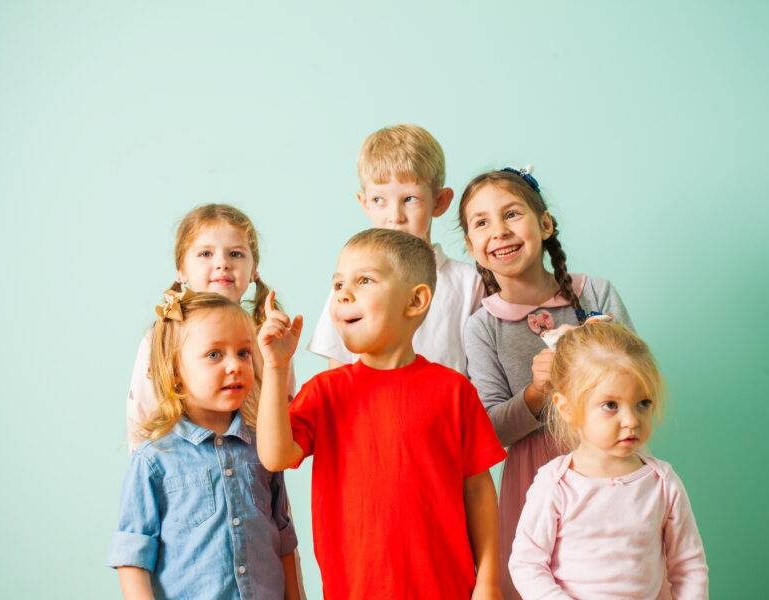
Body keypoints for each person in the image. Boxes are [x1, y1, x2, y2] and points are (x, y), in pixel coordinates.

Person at [257, 229, 506, 599]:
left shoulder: (454, 392)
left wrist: (488, 580)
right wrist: (276, 369)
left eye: (364, 280)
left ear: (415, 301)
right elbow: (275, 456)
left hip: (448, 589)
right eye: (338, 283)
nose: (343, 293)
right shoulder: (326, 392)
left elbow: (478, 490)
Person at [459, 166, 634, 599]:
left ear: (545, 224)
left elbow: (639, 385)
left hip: (611, 463)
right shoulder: (482, 327)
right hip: (534, 479)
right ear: (472, 246)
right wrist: (537, 394)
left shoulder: (596, 294)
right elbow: (492, 430)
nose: (499, 231)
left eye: (512, 214)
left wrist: (602, 354)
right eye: (482, 223)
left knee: (619, 574)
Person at [108, 289, 299, 599]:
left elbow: (284, 540)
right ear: (175, 372)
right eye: (214, 354)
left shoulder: (262, 448)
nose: (235, 365)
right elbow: (133, 554)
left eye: (244, 353)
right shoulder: (155, 458)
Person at [509, 322, 709, 599]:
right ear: (566, 408)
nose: (631, 421)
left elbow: (689, 566)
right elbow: (526, 564)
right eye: (610, 406)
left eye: (643, 403)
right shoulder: (556, 484)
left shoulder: (662, 483)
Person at [307, 123, 483, 374]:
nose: (395, 216)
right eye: (379, 200)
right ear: (364, 203)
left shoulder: (468, 283)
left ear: (440, 201)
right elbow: (336, 372)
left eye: (409, 199)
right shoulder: (349, 282)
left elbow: (481, 373)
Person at [126, 203, 279, 450]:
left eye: (236, 254)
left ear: (254, 271)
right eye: (206, 254)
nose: (223, 263)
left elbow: (283, 413)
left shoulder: (267, 337)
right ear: (181, 270)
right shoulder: (161, 336)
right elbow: (142, 420)